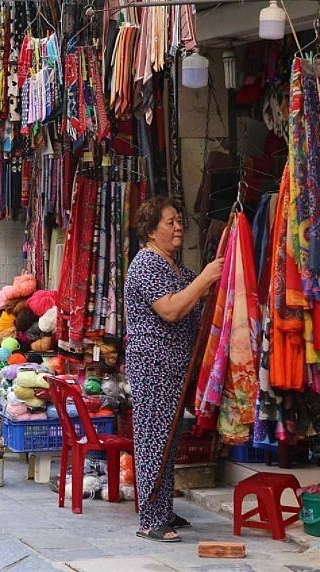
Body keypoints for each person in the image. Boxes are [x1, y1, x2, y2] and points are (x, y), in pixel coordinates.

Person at [123, 196, 224, 543]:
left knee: (168, 439)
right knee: (153, 439)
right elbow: (170, 310)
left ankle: (163, 509)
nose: (178, 226)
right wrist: (206, 277)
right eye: (170, 222)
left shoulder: (175, 268)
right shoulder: (146, 265)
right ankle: (150, 519)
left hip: (173, 369)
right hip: (153, 368)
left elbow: (201, 295)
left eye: (180, 221)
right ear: (151, 231)